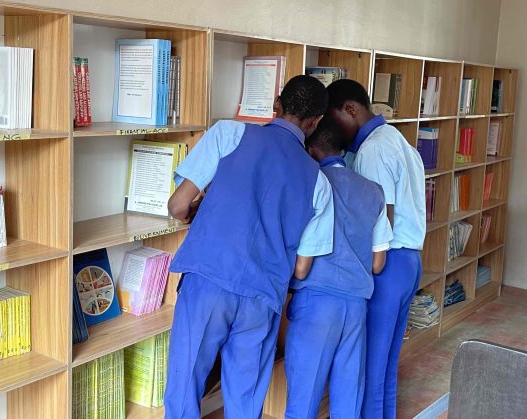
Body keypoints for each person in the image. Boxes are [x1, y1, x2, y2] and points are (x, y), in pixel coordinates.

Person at [164, 75, 335, 419]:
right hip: (263, 295)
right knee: (244, 400)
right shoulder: (319, 181)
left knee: (184, 389)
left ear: (276, 103)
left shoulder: (228, 133)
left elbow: (177, 206)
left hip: (209, 279)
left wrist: (198, 212)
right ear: (315, 122)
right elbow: (302, 266)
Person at [327, 79, 426, 419]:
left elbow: (381, 220)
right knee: (384, 367)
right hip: (409, 262)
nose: (331, 129)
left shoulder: (372, 152)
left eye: (333, 117)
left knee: (369, 370)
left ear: (351, 110)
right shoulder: (395, 138)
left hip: (386, 266)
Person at [284, 119, 393, 419]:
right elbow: (378, 262)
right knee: (347, 401)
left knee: (304, 401)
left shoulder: (310, 184)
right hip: (357, 305)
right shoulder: (373, 191)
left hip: (316, 304)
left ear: (312, 150)